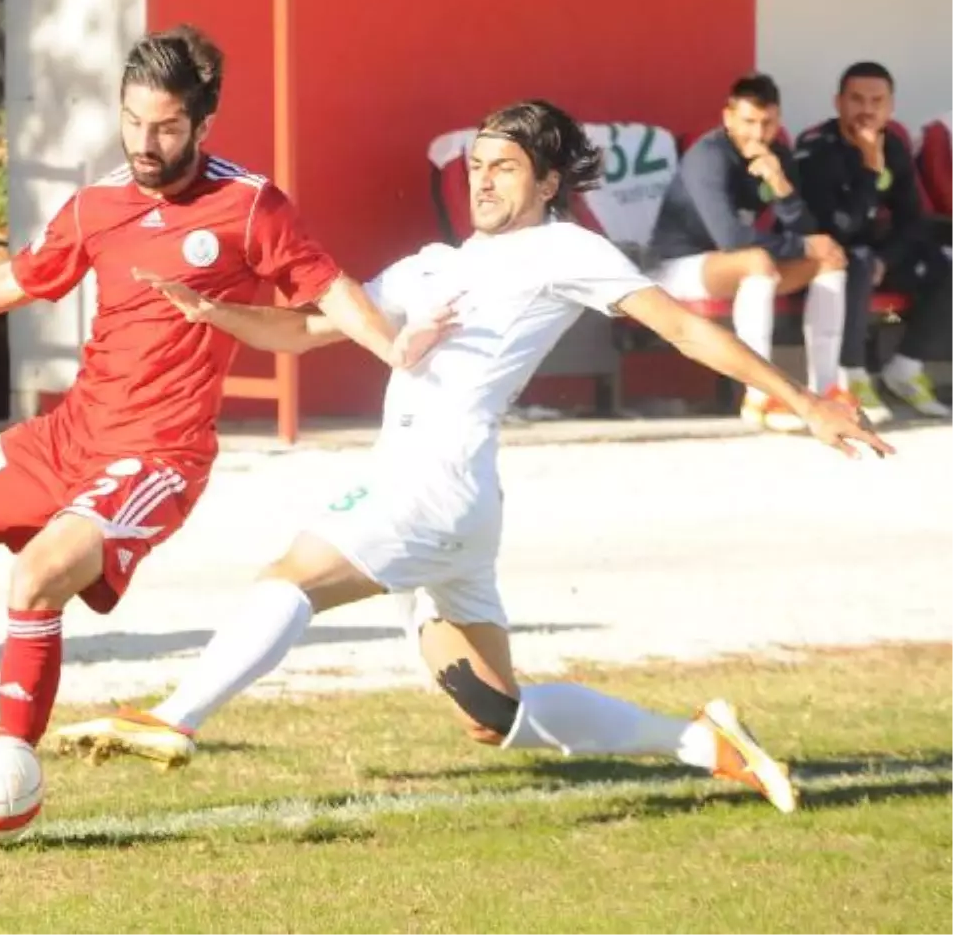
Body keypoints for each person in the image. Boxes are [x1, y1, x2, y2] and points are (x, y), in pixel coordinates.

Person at [52, 100, 893, 814]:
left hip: (431, 483)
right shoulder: (432, 265)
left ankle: (175, 717)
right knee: (493, 712)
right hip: (455, 502)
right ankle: (702, 740)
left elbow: (680, 324)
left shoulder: (564, 250)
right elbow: (308, 329)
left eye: (506, 167)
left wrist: (804, 401)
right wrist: (210, 308)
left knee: (290, 578)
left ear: (550, 183)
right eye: (478, 164)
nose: (483, 179)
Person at [0, 25, 443, 747]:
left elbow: (329, 291)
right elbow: (14, 282)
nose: (145, 142)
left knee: (34, 578)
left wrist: (400, 353)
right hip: (71, 435)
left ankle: (10, 765)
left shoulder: (249, 207)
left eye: (167, 127)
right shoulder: (97, 207)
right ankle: (73, 536)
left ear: (202, 126)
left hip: (157, 456)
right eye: (133, 121)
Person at [647, 74, 851, 433]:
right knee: (756, 261)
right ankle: (758, 395)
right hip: (677, 267)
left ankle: (827, 389)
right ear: (728, 117)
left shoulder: (778, 156)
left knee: (829, 261)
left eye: (767, 123)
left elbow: (804, 230)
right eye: (748, 122)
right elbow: (730, 238)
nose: (757, 134)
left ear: (778, 120)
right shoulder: (707, 156)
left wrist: (781, 186)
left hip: (741, 269)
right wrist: (803, 246)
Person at [795, 61, 953, 422]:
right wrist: (869, 167)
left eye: (877, 101)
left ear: (890, 107)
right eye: (857, 99)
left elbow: (912, 220)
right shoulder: (817, 148)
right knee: (858, 259)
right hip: (823, 259)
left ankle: (906, 367)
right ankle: (852, 375)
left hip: (875, 256)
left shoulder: (894, 146)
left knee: (944, 263)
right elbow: (836, 231)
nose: (867, 109)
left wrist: (889, 258)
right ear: (838, 102)